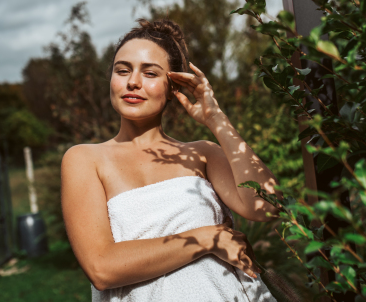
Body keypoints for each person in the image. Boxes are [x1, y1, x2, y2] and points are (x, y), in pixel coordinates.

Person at [61, 18, 281, 301]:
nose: (133, 82)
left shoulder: (203, 153)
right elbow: (102, 268)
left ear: (172, 86)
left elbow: (267, 207)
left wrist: (216, 119)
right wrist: (208, 239)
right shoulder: (84, 159)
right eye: (122, 70)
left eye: (150, 73)